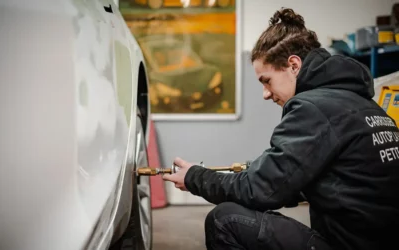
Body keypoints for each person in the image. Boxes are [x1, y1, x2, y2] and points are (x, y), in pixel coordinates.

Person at [162, 7, 399, 250]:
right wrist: (257, 170)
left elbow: (260, 191)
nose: (265, 94)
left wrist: (194, 177)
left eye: (267, 81)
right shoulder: (363, 103)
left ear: (294, 65)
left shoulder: (312, 108)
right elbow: (303, 182)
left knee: (225, 219)